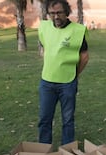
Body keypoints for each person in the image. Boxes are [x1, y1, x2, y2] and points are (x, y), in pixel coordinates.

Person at [38, 0, 89, 146]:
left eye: (59, 12)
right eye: (52, 13)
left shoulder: (78, 31)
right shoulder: (44, 27)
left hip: (68, 83)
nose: (55, 17)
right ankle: (44, 149)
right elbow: (46, 47)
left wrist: (74, 74)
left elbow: (84, 57)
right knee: (44, 119)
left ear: (66, 12)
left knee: (67, 120)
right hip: (46, 82)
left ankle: (67, 150)